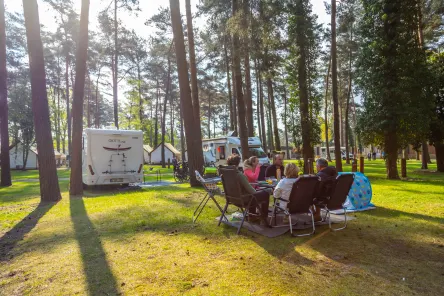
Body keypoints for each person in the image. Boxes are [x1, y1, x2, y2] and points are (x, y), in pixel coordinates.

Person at [226, 154, 271, 224]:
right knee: (265, 194)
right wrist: (264, 191)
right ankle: (264, 217)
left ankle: (252, 216)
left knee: (252, 194)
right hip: (243, 200)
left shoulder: (227, 174)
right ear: (238, 163)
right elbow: (252, 191)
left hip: (232, 199)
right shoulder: (239, 175)